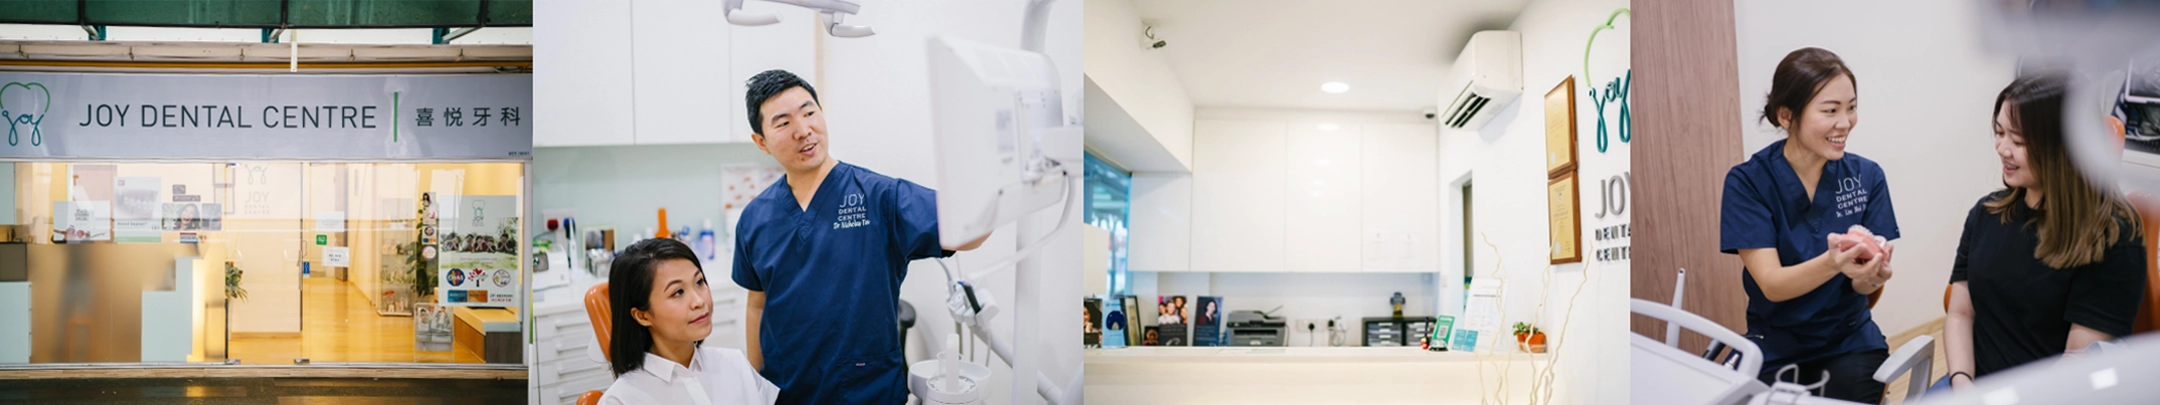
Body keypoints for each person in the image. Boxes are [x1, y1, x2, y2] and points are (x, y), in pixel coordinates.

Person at [731, 69, 990, 405]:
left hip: (867, 390)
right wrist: (755, 383)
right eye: (783, 123)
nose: (803, 130)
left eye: (809, 113)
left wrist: (994, 175)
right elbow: (757, 304)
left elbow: (971, 230)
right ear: (761, 142)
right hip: (787, 391)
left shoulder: (880, 196)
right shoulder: (755, 218)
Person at [1936, 72, 2147, 393]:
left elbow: (2077, 362)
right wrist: (1962, 383)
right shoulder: (1986, 214)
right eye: (1999, 132)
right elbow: (1961, 314)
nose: (2002, 148)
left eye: (2018, 141)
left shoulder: (2112, 238)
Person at [1720, 47, 1899, 403]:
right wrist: (1833, 262)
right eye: (1830, 110)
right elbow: (1771, 284)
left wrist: (1872, 275)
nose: (1845, 122)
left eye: (1851, 107)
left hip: (1849, 340)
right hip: (1772, 343)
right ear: (1787, 116)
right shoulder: (1748, 182)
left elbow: (1865, 289)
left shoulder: (1867, 176)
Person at [600, 238, 779, 405]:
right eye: (678, 292)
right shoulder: (621, 399)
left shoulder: (734, 363)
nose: (699, 301)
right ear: (642, 316)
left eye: (699, 282)